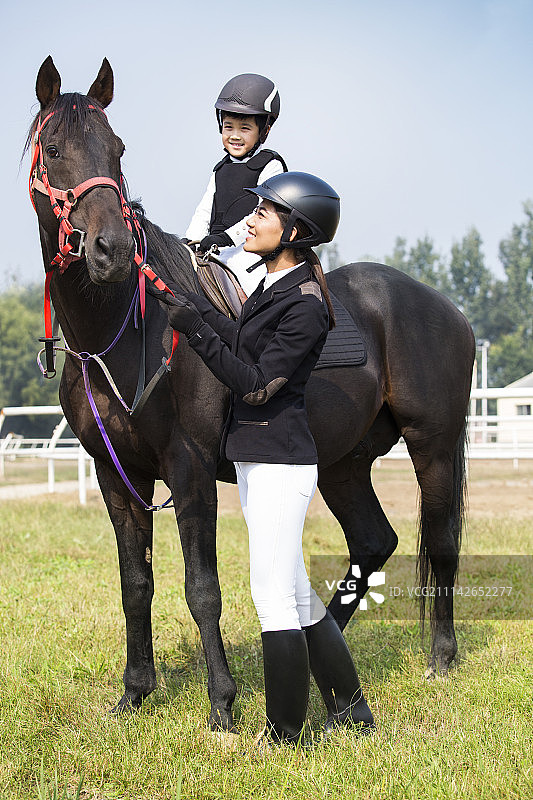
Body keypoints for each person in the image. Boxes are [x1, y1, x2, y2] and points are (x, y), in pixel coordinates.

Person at [165, 172, 374, 744]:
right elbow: (239, 340)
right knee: (301, 593)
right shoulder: (274, 286)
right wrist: (189, 311)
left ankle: (285, 733)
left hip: (282, 464)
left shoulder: (305, 305)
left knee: (271, 596)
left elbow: (257, 385)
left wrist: (199, 337)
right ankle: (353, 711)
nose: (251, 220)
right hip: (259, 460)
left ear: (295, 230)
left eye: (263, 213)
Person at [184, 73, 287, 296]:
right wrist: (191, 241)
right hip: (214, 250)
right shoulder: (220, 169)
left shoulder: (271, 165)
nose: (234, 136)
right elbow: (203, 211)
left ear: (264, 130)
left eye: (245, 128)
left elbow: (259, 212)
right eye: (228, 127)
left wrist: (227, 238)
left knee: (251, 291)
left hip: (249, 251)